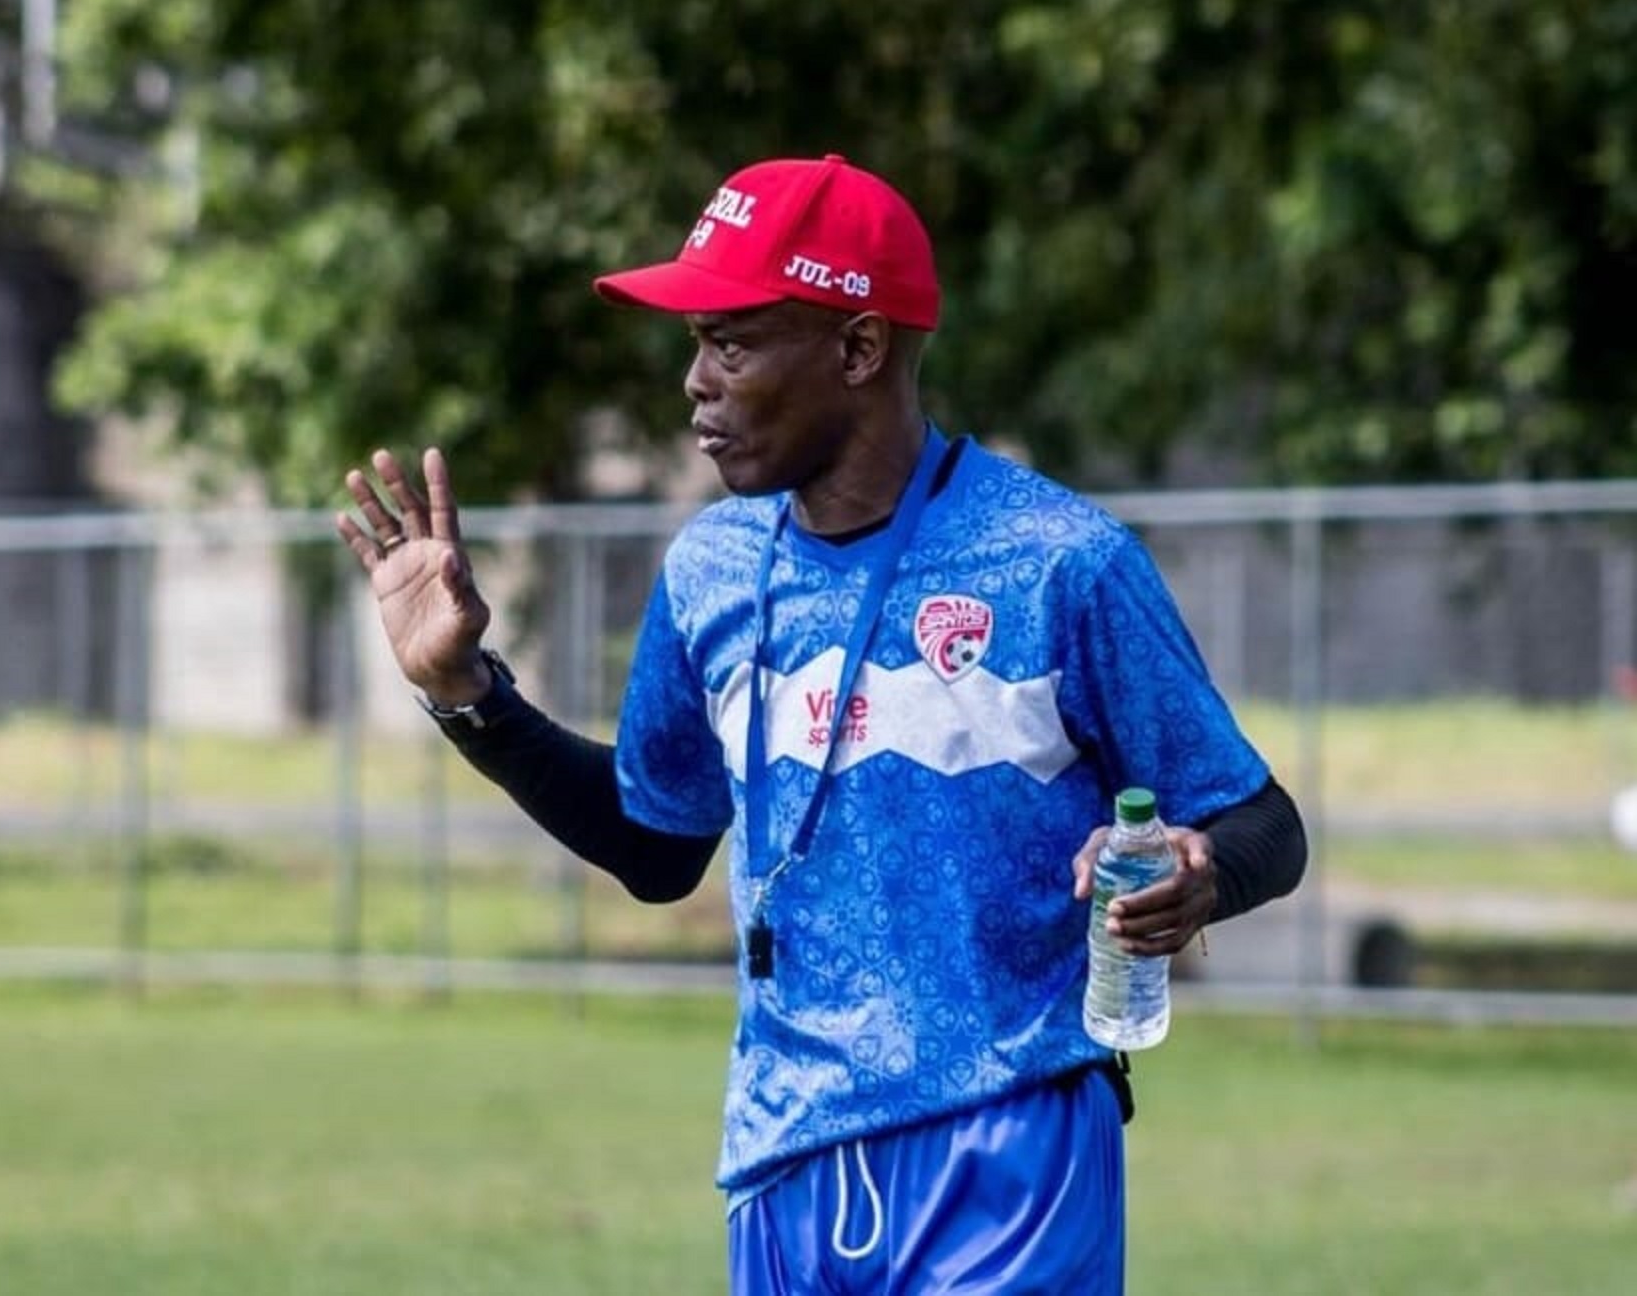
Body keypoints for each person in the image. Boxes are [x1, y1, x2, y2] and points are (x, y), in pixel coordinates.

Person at [336, 153, 1307, 1294]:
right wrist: (470, 697)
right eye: (694, 343)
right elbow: (656, 846)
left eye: (733, 344)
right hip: (782, 1160)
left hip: (1009, 1147)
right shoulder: (711, 566)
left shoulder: (1061, 562)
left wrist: (1198, 872)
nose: (696, 383)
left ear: (857, 348)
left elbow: (1263, 821)